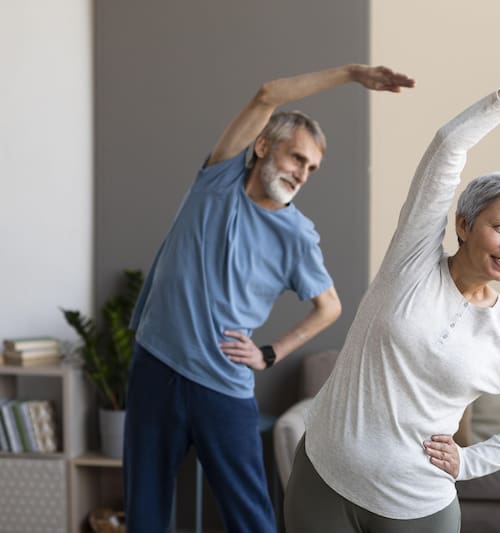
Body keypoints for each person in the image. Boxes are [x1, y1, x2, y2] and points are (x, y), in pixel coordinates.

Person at [284, 65, 500, 533]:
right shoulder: (413, 260)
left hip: (415, 508)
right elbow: (450, 143)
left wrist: (469, 462)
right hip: (321, 479)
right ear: (463, 225)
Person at [123, 64, 415, 533]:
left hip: (222, 386)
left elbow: (330, 307)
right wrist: (352, 74)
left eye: (311, 168)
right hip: (156, 366)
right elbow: (266, 94)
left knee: (251, 521)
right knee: (145, 514)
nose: (302, 173)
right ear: (262, 146)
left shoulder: (299, 236)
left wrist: (269, 352)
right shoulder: (217, 180)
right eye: (297, 158)